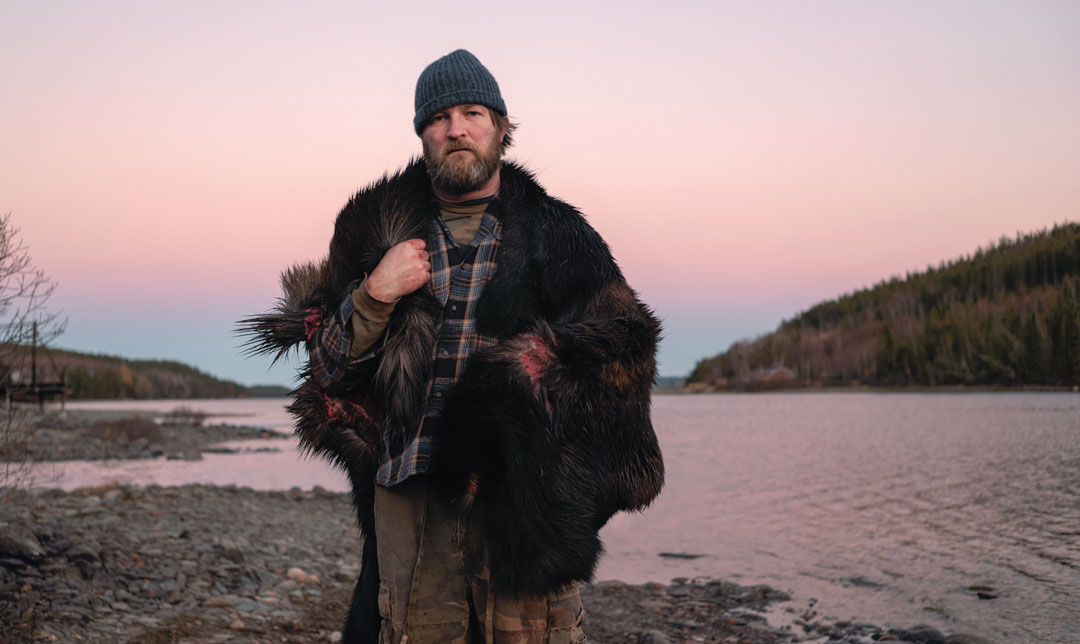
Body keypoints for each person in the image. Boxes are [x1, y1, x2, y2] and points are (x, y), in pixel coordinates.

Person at [242, 49, 663, 644]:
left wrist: (536, 389)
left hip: (523, 503)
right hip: (412, 499)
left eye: (472, 113)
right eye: (439, 118)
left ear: (500, 128)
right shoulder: (370, 230)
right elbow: (329, 373)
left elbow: (623, 358)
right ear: (422, 136)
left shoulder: (563, 237)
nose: (456, 129)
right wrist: (375, 294)